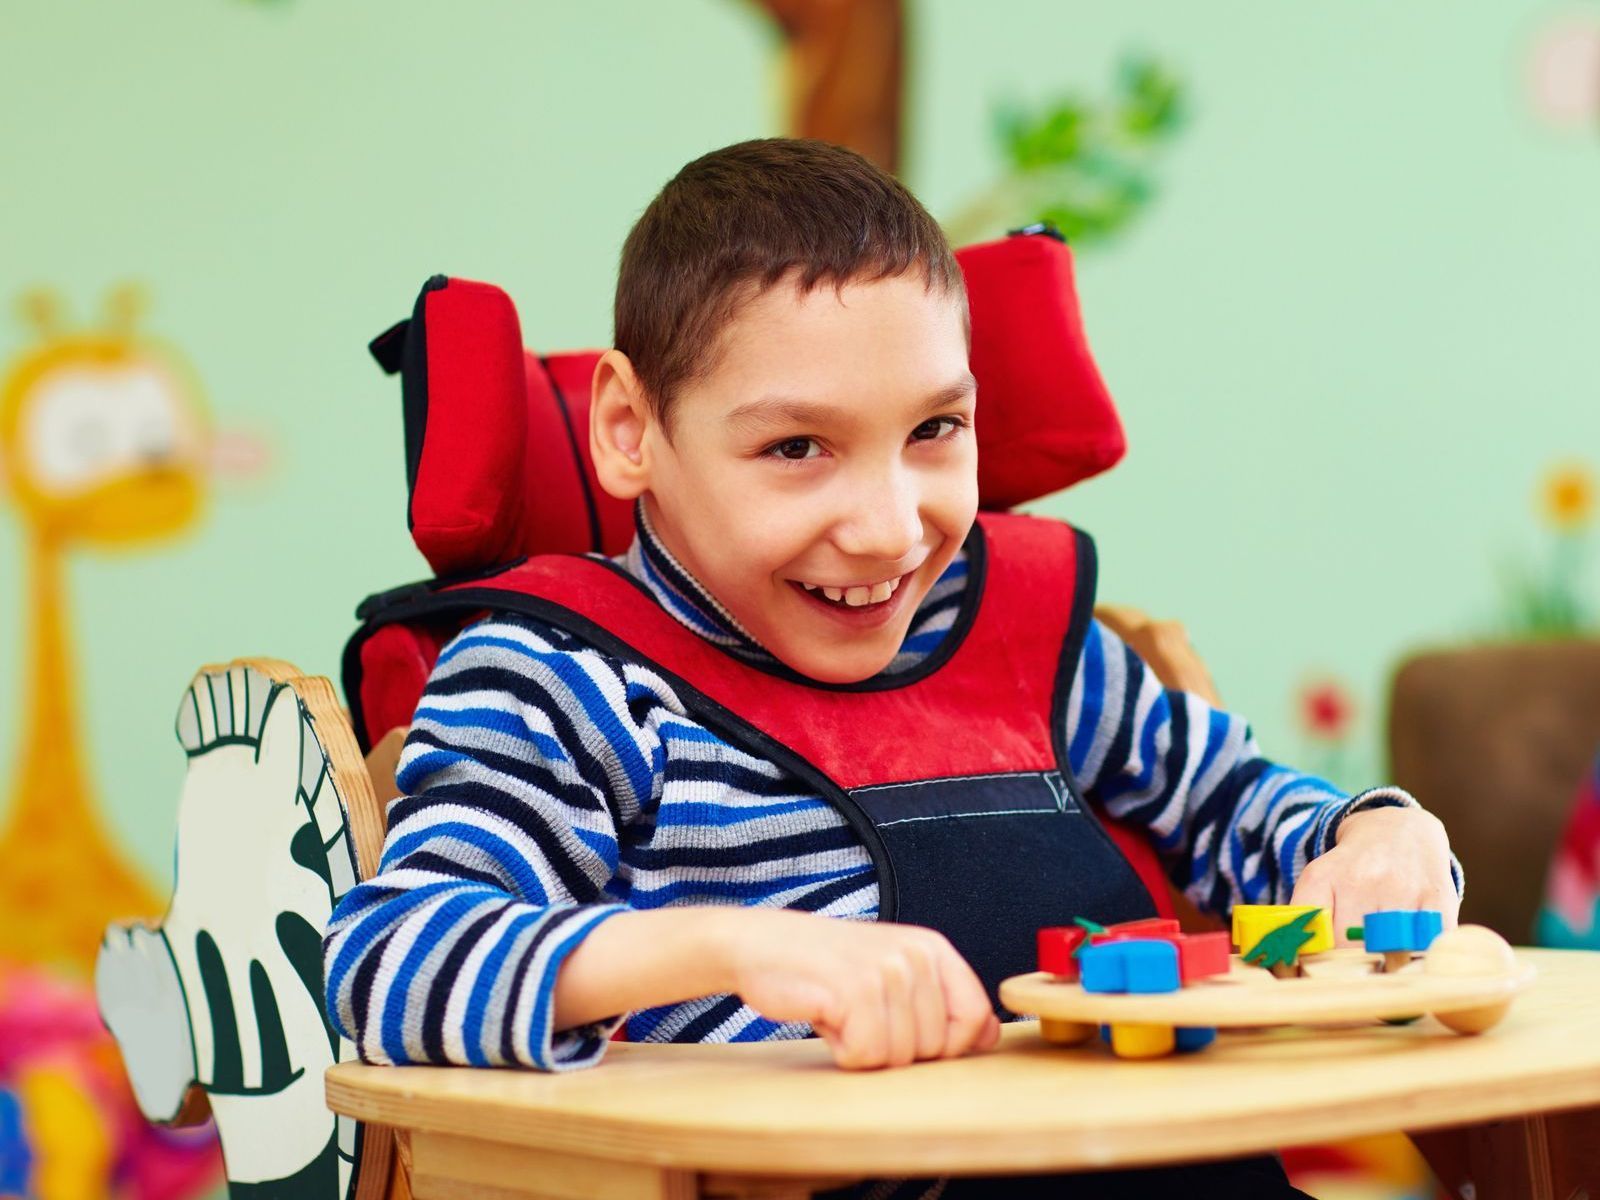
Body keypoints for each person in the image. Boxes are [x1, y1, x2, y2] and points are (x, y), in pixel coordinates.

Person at [323, 137, 1462, 1197]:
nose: (887, 528)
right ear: (628, 429)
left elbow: (1242, 812)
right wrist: (727, 946)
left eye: (933, 431)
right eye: (796, 448)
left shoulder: (1024, 635)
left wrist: (1375, 837)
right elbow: (388, 960)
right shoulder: (557, 676)